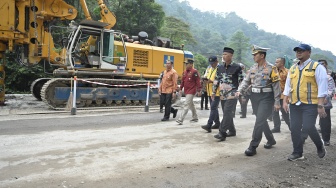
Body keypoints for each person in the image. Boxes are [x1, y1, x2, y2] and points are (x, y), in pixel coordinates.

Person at [283, 44, 328, 161]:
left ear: (309, 52)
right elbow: (288, 86)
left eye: (301, 51)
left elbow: (322, 87)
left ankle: (320, 145)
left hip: (311, 104)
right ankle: (297, 152)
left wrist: (320, 105)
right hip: (294, 103)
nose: (298, 53)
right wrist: (285, 100)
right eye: (297, 51)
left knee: (308, 127)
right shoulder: (293, 68)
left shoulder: (317, 67)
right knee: (294, 128)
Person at [235, 45, 281, 156]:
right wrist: (239, 90)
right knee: (261, 120)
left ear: (262, 55)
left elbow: (276, 86)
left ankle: (253, 146)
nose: (253, 56)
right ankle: (271, 139)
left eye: (255, 55)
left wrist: (277, 101)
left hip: (266, 96)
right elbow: (246, 81)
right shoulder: (252, 68)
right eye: (253, 55)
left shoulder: (271, 68)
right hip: (254, 97)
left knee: (259, 120)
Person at [212, 47, 244, 141]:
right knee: (227, 113)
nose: (224, 56)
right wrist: (214, 91)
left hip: (233, 93)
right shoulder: (220, 67)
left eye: (226, 54)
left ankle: (222, 132)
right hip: (222, 94)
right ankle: (232, 130)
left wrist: (241, 92)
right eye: (223, 54)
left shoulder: (237, 67)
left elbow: (242, 81)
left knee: (227, 112)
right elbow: (216, 79)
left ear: (231, 56)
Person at [176, 59, 202, 125]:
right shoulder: (184, 72)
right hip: (186, 90)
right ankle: (195, 117)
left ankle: (180, 119)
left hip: (192, 90)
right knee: (191, 105)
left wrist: (199, 90)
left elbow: (198, 81)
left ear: (191, 64)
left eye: (187, 64)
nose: (186, 65)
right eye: (185, 64)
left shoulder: (194, 72)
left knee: (186, 104)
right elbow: (182, 81)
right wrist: (180, 89)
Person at [201, 56, 221, 132]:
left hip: (216, 92)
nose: (212, 65)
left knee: (213, 108)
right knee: (214, 108)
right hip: (209, 91)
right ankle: (217, 123)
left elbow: (219, 80)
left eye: (213, 63)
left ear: (217, 61)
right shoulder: (209, 68)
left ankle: (209, 125)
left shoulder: (220, 68)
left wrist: (211, 81)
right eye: (211, 63)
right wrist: (205, 79)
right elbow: (206, 75)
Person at [271, 57, 290, 133]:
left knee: (285, 113)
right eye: (275, 62)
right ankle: (277, 127)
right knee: (274, 112)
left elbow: (290, 85)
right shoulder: (273, 71)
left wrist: (288, 97)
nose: (275, 63)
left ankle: (292, 127)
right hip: (275, 95)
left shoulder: (287, 72)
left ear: (282, 63)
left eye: (277, 62)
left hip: (283, 95)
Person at [318, 59, 335, 146]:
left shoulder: (329, 77)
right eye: (319, 63)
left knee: (325, 121)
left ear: (326, 65)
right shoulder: (314, 75)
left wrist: (325, 97)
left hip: (325, 102)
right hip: (313, 101)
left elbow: (331, 89)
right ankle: (303, 138)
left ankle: (326, 139)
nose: (321, 65)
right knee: (308, 120)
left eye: (323, 63)